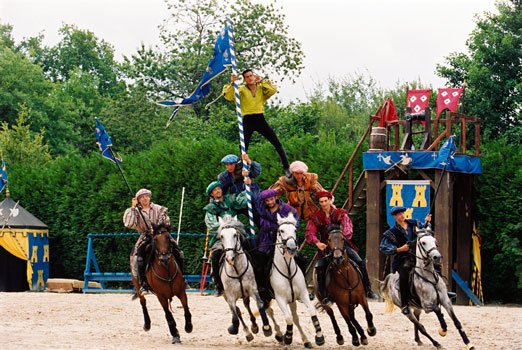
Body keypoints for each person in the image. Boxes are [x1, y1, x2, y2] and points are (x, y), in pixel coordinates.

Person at [306, 191, 378, 306]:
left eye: (325, 201)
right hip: (325, 247)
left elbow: (348, 228)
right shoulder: (315, 217)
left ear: (330, 200)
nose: (324, 203)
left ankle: (368, 290)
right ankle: (324, 296)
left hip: (342, 245)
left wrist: (340, 239)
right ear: (319, 203)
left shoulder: (341, 213)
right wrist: (317, 243)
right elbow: (310, 233)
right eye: (321, 202)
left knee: (360, 262)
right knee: (320, 268)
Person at [223, 69, 290, 176]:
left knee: (276, 142)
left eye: (251, 76)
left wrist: (262, 81)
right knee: (243, 146)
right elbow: (229, 96)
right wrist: (232, 83)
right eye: (247, 77)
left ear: (254, 76)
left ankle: (286, 167)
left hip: (260, 118)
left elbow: (272, 90)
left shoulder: (261, 88)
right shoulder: (241, 89)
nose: (250, 78)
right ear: (244, 79)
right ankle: (243, 166)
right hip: (247, 119)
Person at [123, 188, 184, 292]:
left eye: (146, 196)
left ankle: (182, 279)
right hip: (145, 237)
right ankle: (143, 283)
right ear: (138, 199)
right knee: (139, 255)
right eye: (142, 197)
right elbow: (129, 223)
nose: (145, 198)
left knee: (178, 252)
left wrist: (158, 228)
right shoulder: (136, 211)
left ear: (149, 197)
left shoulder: (159, 209)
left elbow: (166, 221)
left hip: (160, 235)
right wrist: (133, 208)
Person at [379, 206, 431, 315]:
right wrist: (399, 249)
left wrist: (427, 222)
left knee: (434, 265)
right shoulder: (391, 232)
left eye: (402, 213)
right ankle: (404, 304)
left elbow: (424, 232)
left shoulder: (414, 223)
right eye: (399, 214)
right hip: (402, 259)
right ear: (394, 216)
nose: (402, 216)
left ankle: (441, 291)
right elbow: (383, 247)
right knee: (403, 276)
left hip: (417, 256)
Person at [252, 188, 300, 303]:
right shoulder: (262, 210)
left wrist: (289, 230)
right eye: (267, 200)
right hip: (266, 240)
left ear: (276, 198)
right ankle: (263, 288)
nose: (269, 202)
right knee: (260, 263)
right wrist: (250, 186)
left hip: (284, 239)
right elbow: (254, 198)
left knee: (300, 258)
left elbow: (296, 222)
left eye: (271, 199)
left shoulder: (288, 209)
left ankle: (302, 286)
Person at [204, 180, 250, 296]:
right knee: (216, 255)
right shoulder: (211, 208)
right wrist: (225, 227)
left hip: (236, 234)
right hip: (221, 237)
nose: (218, 190)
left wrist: (248, 186)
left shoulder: (230, 199)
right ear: (211, 194)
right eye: (215, 190)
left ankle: (257, 279)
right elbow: (211, 225)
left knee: (250, 247)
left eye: (219, 188)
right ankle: (219, 285)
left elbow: (243, 202)